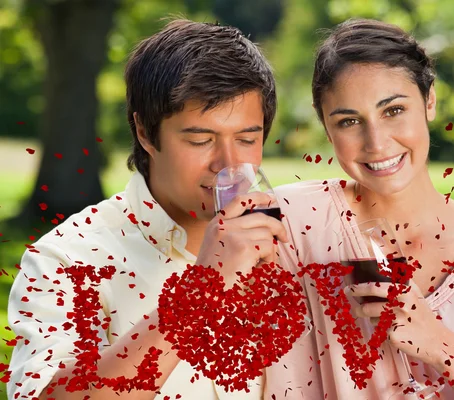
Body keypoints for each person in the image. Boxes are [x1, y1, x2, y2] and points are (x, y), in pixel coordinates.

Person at [266, 18, 454, 399]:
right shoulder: (291, 224)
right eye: (349, 121)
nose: (376, 143)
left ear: (429, 101)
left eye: (393, 110)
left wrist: (442, 346)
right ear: (327, 130)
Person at [8, 19, 289, 399]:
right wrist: (202, 289)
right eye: (200, 139)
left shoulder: (291, 235)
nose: (227, 163)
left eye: (247, 139)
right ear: (145, 133)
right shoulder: (66, 259)